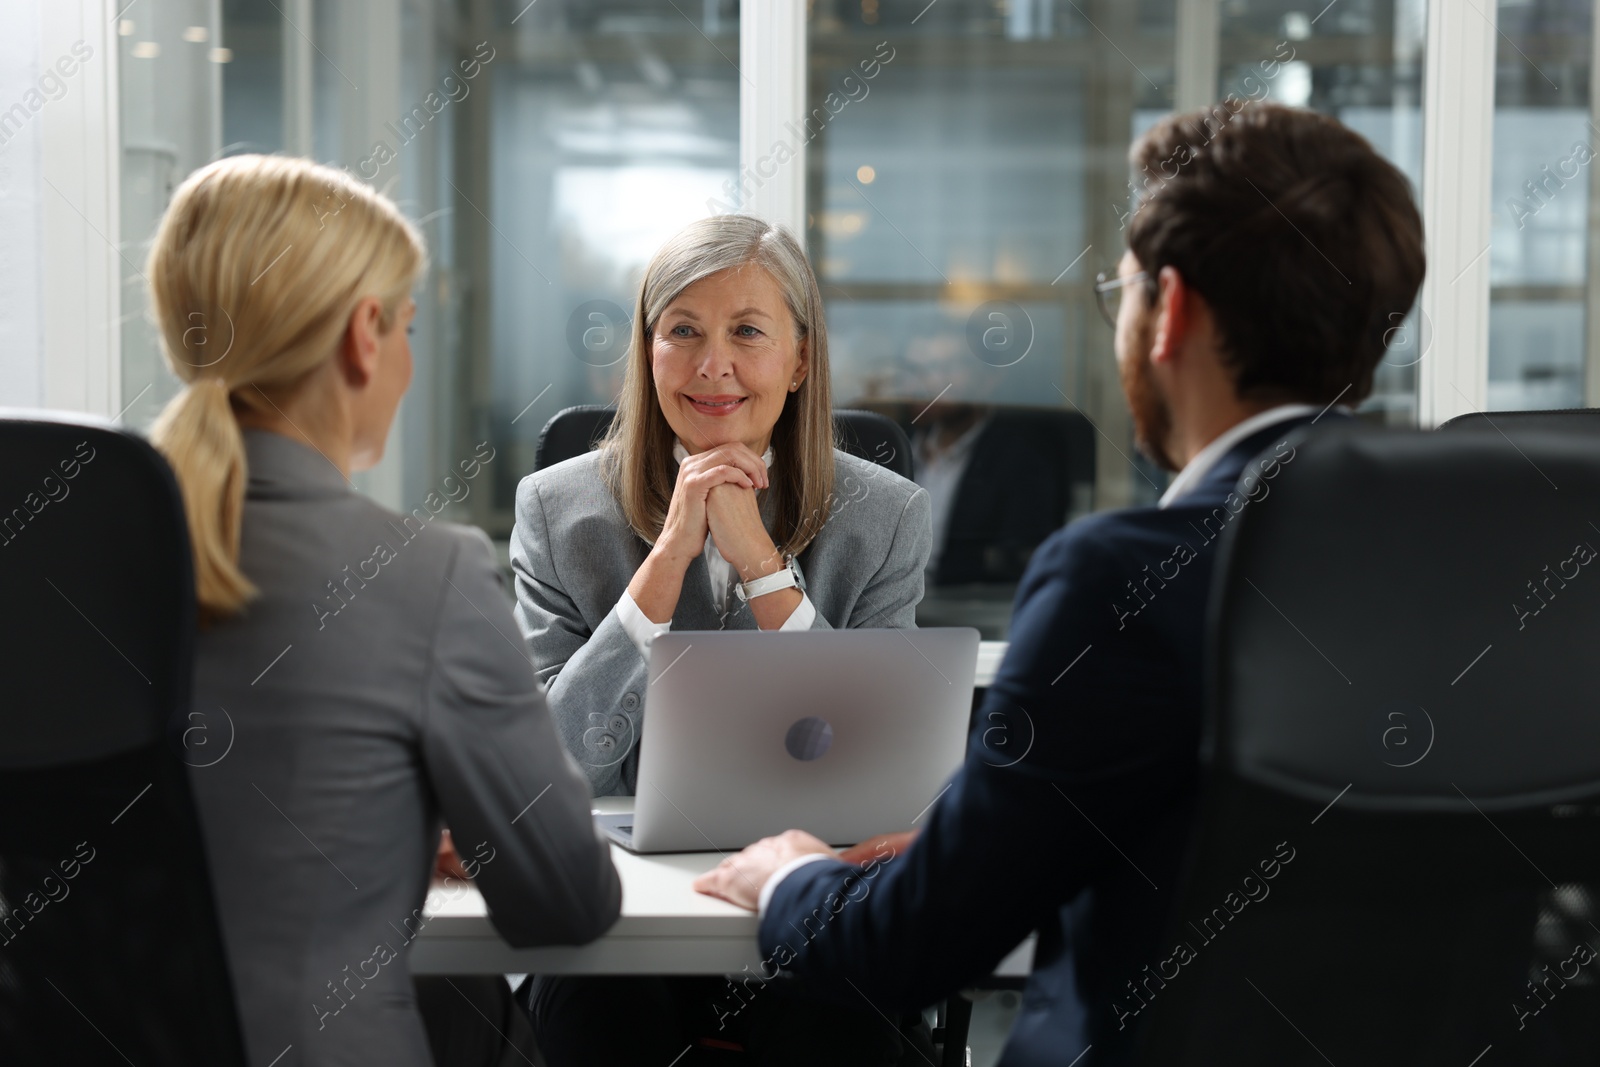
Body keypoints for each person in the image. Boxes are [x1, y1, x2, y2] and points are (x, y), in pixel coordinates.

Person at [694, 101, 1427, 1067]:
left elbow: (902, 952)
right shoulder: (1482, 567)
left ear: (1171, 311)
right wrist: (980, 838)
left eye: (1118, 291)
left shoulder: (1122, 581)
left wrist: (791, 874)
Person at [148, 154, 620, 1067]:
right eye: (406, 325)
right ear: (366, 335)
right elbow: (566, 903)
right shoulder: (423, 575)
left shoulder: (55, 561)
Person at [509, 214, 934, 1064]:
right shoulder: (558, 510)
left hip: (802, 895)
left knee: (838, 1010)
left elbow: (874, 770)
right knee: (598, 1013)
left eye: (747, 332)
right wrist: (665, 561)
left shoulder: (885, 516)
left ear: (799, 360)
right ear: (647, 350)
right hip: (619, 917)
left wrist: (763, 567)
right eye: (683, 332)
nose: (714, 366)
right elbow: (542, 774)